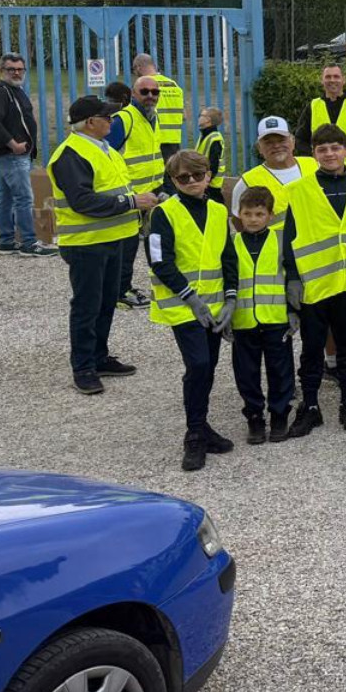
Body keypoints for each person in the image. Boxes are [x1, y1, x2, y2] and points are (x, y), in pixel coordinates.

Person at [52, 96, 157, 394]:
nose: (112, 120)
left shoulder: (104, 148)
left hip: (114, 239)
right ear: (90, 122)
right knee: (87, 306)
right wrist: (132, 202)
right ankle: (83, 367)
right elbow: (83, 201)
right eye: (107, 117)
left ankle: (99, 357)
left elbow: (114, 188)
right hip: (87, 243)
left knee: (107, 301)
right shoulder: (70, 154)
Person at [147, 149, 237, 471]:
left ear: (208, 176)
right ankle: (194, 435)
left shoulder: (218, 210)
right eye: (183, 177)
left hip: (214, 307)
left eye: (197, 175)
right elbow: (159, 261)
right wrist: (191, 298)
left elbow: (228, 256)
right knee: (198, 364)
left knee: (208, 366)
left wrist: (231, 299)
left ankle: (202, 425)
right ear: (173, 180)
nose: (191, 181)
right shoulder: (163, 213)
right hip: (184, 307)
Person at [282, 123, 346, 436]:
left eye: (336, 148)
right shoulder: (299, 190)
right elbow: (290, 236)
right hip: (315, 283)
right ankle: (309, 406)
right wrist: (293, 278)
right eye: (322, 149)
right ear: (314, 153)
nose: (330, 154)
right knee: (311, 349)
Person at [228, 185, 298, 446]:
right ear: (239, 214)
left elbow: (291, 277)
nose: (253, 219)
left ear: (270, 215)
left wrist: (293, 311)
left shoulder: (280, 241)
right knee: (246, 372)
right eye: (247, 214)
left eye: (259, 214)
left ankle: (279, 415)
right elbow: (226, 278)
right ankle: (254, 416)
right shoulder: (232, 243)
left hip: (276, 319)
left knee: (280, 370)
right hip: (243, 320)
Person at [0, 53, 56, 257]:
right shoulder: (0, 92)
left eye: (19, 69)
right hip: (11, 154)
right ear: (2, 71)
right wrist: (13, 144)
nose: (16, 73)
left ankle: (6, 241)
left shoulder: (15, 90)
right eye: (11, 69)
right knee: (24, 198)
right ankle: (29, 242)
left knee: (6, 197)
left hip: (16, 154)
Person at [109, 75, 171, 307]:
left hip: (152, 193)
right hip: (131, 195)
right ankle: (121, 291)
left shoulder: (154, 117)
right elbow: (105, 154)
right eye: (144, 92)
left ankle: (157, 285)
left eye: (155, 92)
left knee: (154, 243)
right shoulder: (124, 119)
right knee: (127, 246)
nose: (150, 96)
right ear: (133, 94)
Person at [233, 117, 318, 230]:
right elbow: (239, 222)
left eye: (282, 140)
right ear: (259, 148)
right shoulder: (247, 182)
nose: (276, 146)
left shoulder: (315, 165)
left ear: (292, 141)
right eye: (268, 142)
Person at [299, 62, 346, 171]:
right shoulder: (312, 106)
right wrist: (313, 158)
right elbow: (300, 140)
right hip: (321, 170)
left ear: (344, 80)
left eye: (336, 76)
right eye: (328, 77)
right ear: (322, 80)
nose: (332, 80)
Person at [131, 53, 185, 147]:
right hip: (173, 140)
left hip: (152, 139)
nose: (135, 73)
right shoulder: (174, 85)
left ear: (138, 67)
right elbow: (184, 116)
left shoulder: (143, 86)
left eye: (134, 70)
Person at [196, 107, 228, 197]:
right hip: (204, 181)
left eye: (201, 115)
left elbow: (214, 164)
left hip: (211, 185)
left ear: (208, 120)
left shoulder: (214, 139)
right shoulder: (205, 135)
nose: (199, 117)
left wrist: (206, 181)